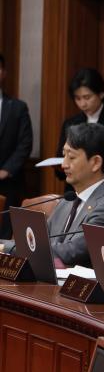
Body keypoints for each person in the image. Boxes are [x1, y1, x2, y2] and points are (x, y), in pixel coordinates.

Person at [0, 123, 104, 266]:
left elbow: (69, 253)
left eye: (71, 157)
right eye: (64, 155)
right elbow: (39, 243)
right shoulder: (67, 201)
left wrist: (6, 247)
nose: (64, 164)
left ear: (96, 163)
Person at [55, 69, 104, 188]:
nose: (83, 104)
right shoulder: (71, 123)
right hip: (75, 188)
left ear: (101, 94)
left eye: (87, 97)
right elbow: (60, 157)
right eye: (78, 98)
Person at [0, 53, 32, 239]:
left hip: (9, 183)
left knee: (5, 235)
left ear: (4, 72)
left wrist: (6, 170)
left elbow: (25, 143)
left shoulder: (18, 107)